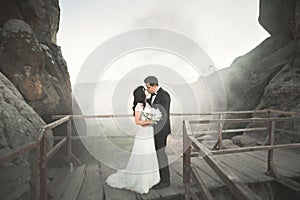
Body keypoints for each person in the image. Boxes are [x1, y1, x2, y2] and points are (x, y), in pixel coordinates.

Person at [106, 86, 160, 194]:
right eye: (144, 90)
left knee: (149, 155)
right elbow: (137, 121)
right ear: (141, 93)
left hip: (149, 133)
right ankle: (142, 182)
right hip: (144, 133)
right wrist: (151, 121)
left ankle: (151, 179)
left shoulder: (146, 104)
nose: (146, 91)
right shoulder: (139, 106)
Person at [144, 76, 171, 189]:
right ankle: (161, 177)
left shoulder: (164, 95)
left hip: (162, 130)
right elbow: (153, 104)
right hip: (156, 129)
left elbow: (162, 113)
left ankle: (165, 181)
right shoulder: (153, 96)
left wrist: (147, 117)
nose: (147, 89)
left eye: (148, 87)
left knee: (161, 154)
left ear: (155, 85)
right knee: (158, 154)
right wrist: (146, 99)